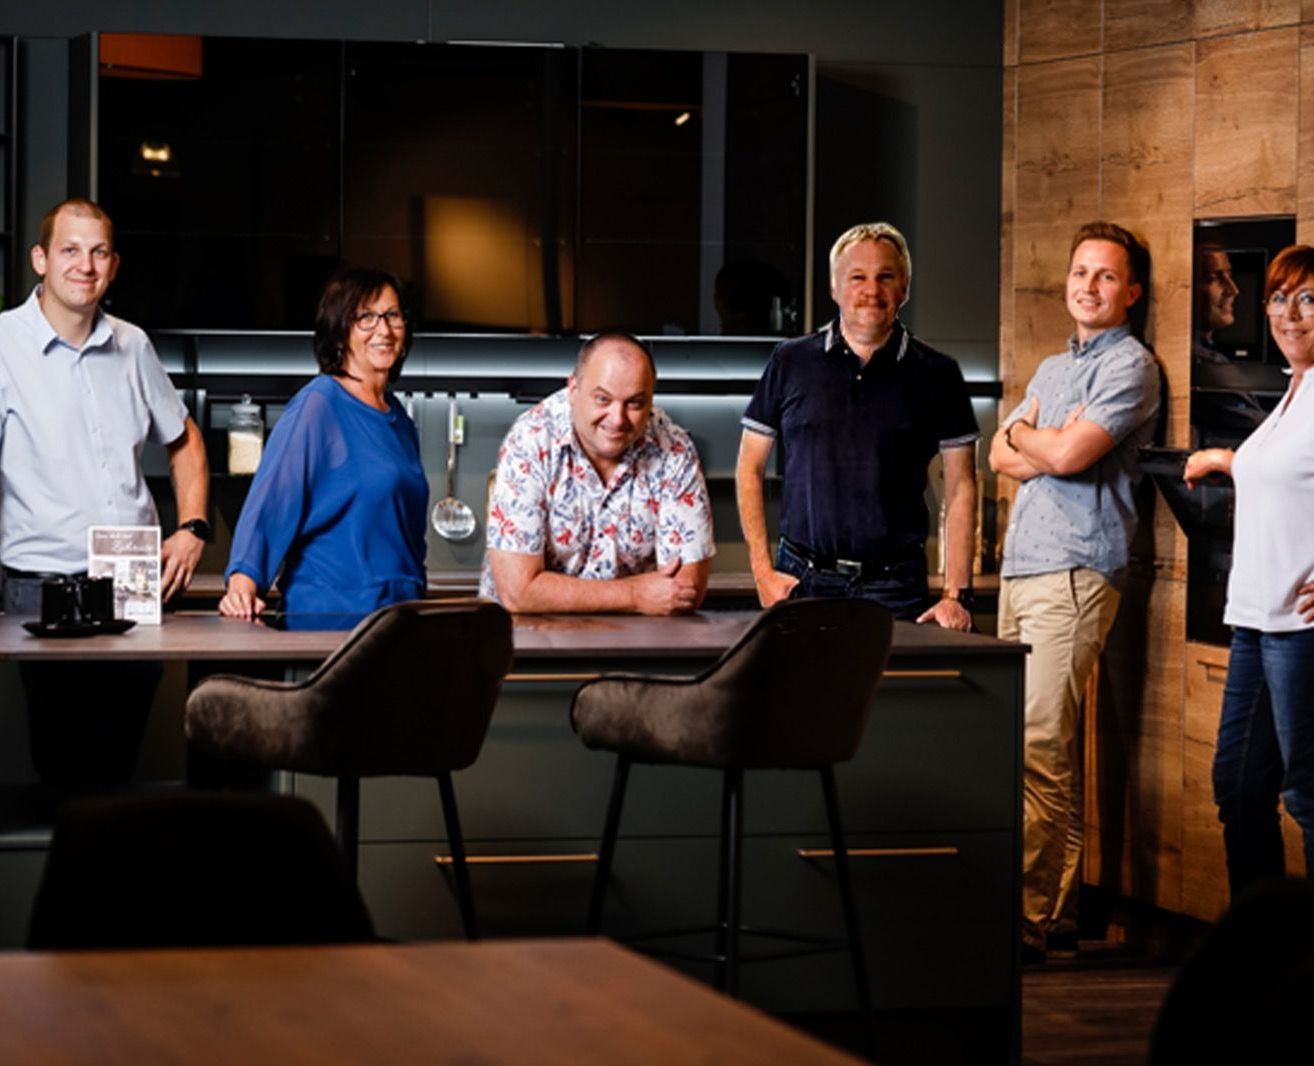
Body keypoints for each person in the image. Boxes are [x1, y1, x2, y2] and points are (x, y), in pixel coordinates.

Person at [989, 220, 1161, 961]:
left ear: (1132, 292)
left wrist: (1037, 440)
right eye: (1080, 272)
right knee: (1019, 748)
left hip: (1076, 572)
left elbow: (1058, 451)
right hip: (1023, 567)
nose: (1087, 286)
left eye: (1105, 276)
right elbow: (1003, 451)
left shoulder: (1132, 367)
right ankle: (1048, 914)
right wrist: (1039, 442)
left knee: (1039, 749)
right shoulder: (1055, 370)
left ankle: (1030, 924)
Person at [0, 197, 210, 784]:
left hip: (131, 580)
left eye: (97, 254)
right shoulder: (3, 345)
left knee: (120, 762)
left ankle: (109, 869)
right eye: (69, 250)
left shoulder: (133, 344)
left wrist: (193, 526)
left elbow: (185, 439)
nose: (84, 266)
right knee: (64, 768)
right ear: (40, 259)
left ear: (113, 267)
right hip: (42, 582)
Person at [735, 221, 979, 627]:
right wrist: (762, 572)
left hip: (897, 589)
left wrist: (956, 594)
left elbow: (960, 486)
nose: (871, 290)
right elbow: (749, 467)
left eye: (885, 277)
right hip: (802, 582)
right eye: (857, 278)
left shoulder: (939, 373)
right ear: (835, 288)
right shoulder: (790, 361)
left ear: (904, 288)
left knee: (894, 693)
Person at [1183, 244, 1314, 901]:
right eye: (1280, 298)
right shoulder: (1294, 389)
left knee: (1309, 799)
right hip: (1256, 622)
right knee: (1238, 785)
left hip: (1302, 630)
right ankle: (1265, 963)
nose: (1291, 314)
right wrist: (1224, 458)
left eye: (1309, 299)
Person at [220, 268, 427, 618]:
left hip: (398, 620)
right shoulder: (319, 404)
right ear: (340, 330)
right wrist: (243, 580)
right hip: (332, 619)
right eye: (366, 317)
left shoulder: (401, 421)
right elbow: (274, 497)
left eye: (393, 315)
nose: (384, 330)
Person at [482, 332, 714, 614]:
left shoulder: (674, 450)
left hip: (632, 645)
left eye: (635, 403)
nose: (617, 419)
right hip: (525, 645)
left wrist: (555, 592)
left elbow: (684, 589)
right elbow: (518, 592)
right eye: (603, 399)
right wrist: (636, 595)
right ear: (573, 389)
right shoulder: (530, 441)